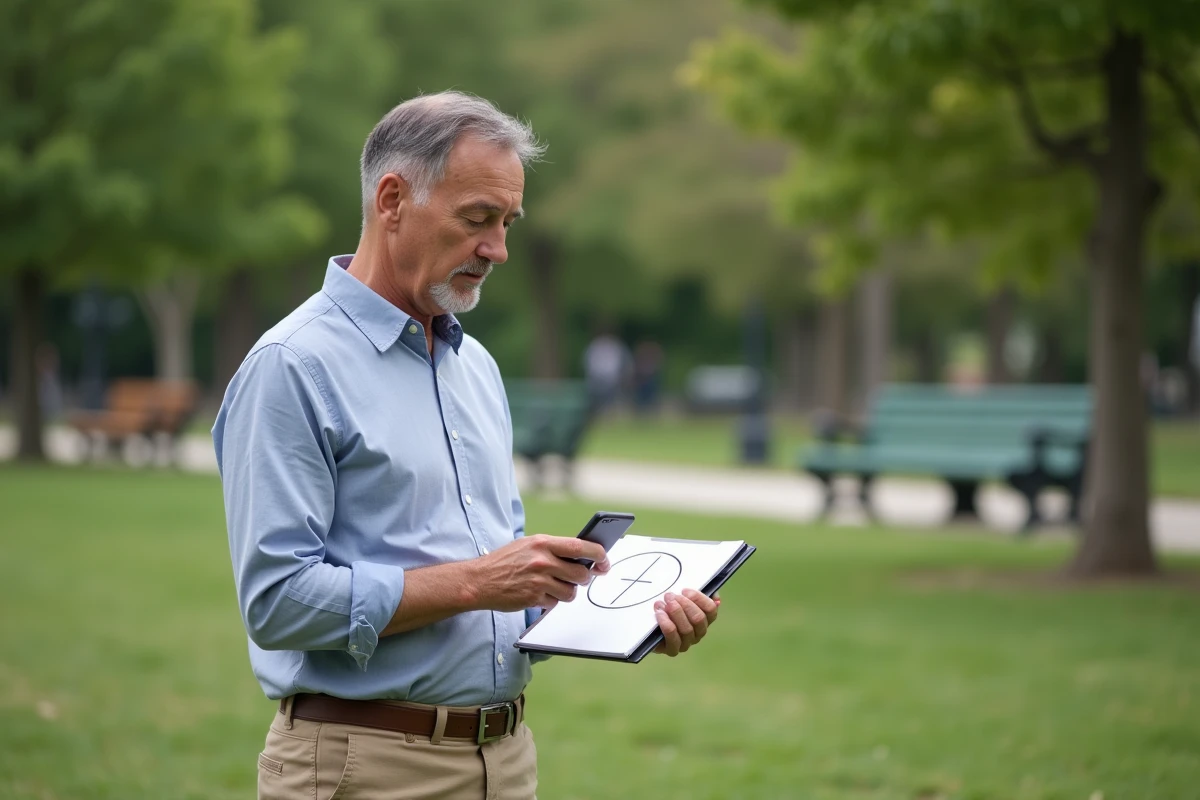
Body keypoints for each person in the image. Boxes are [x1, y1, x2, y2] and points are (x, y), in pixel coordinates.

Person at [212, 92, 720, 800]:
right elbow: (278, 603)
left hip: (506, 762)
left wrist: (630, 616)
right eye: (477, 219)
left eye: (507, 223)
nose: (498, 249)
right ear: (392, 199)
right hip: (362, 769)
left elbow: (503, 597)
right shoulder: (293, 366)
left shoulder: (472, 366)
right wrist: (478, 581)